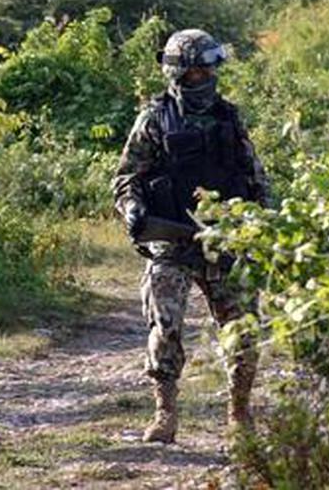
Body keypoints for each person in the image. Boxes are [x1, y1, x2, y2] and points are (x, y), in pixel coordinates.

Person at [112, 29, 270, 444]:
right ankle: (165, 410)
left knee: (243, 327)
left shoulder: (229, 118)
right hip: (172, 239)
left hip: (225, 238)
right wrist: (132, 209)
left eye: (209, 70)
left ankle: (239, 412)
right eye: (195, 72)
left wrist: (267, 227)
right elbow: (127, 178)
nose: (204, 78)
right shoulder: (154, 120)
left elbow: (255, 178)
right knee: (164, 325)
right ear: (178, 74)